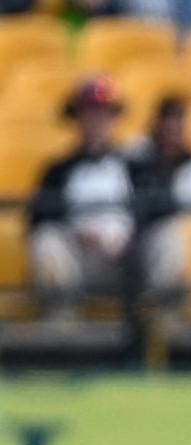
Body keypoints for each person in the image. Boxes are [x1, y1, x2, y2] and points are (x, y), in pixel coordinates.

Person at [28, 76, 146, 312]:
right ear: (77, 118)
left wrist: (129, 241)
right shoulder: (58, 170)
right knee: (47, 239)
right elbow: (38, 219)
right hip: (76, 264)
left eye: (103, 112)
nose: (96, 120)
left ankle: (167, 315)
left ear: (113, 118)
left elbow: (154, 212)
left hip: (126, 263)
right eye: (89, 112)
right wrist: (77, 235)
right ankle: (61, 316)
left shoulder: (136, 167)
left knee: (167, 235)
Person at [127, 96, 191, 300]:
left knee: (172, 239)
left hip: (188, 244)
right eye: (167, 125)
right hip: (137, 241)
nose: (171, 134)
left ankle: (164, 306)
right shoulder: (135, 159)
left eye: (177, 126)